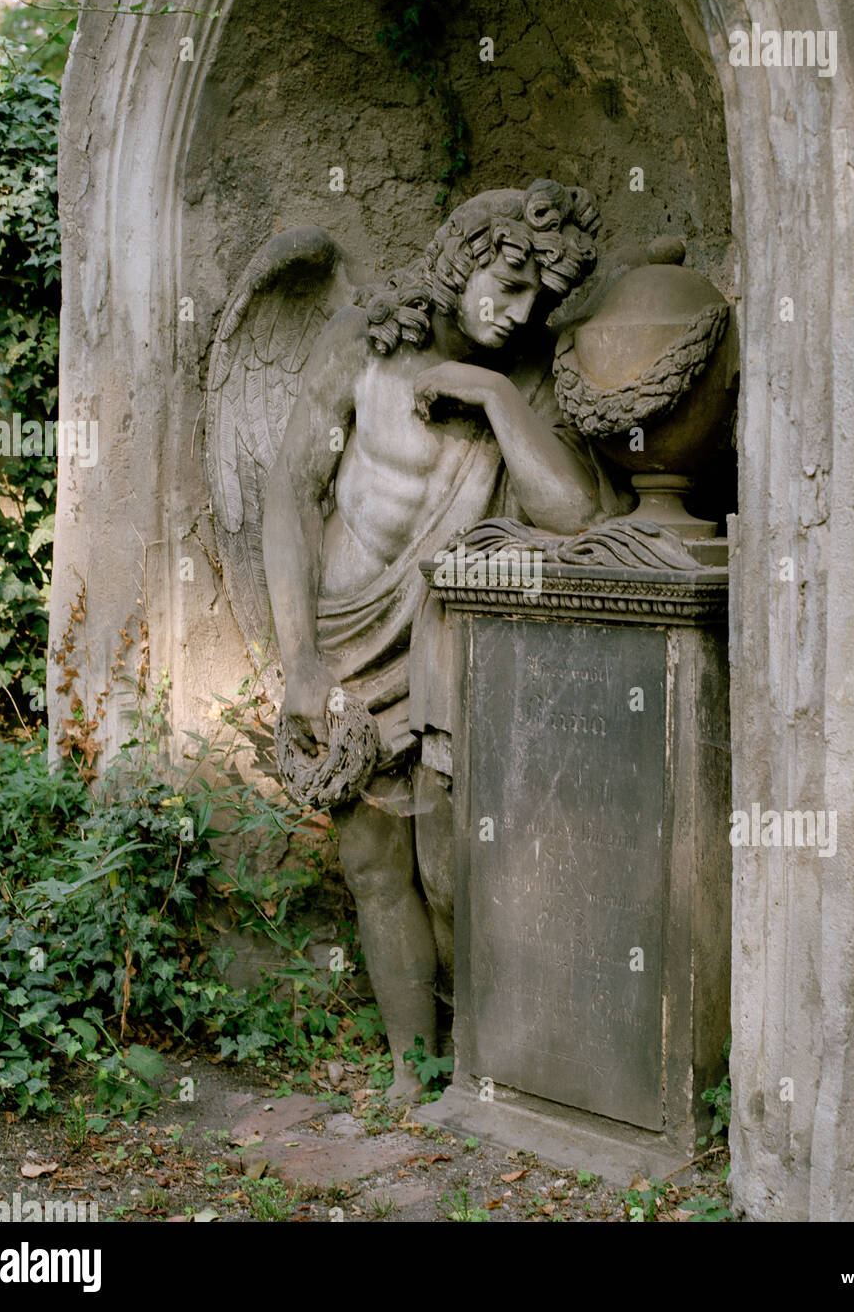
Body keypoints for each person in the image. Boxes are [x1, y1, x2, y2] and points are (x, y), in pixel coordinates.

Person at [262, 180, 613, 1093]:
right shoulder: (363, 345)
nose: (520, 310)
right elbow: (289, 496)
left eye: (542, 298)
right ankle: (410, 1077)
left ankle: (483, 1070)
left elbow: (573, 514)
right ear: (463, 255)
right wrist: (299, 657)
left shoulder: (529, 377)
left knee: (455, 868)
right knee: (373, 865)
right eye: (510, 279)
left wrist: (492, 392)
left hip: (449, 644)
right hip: (342, 639)